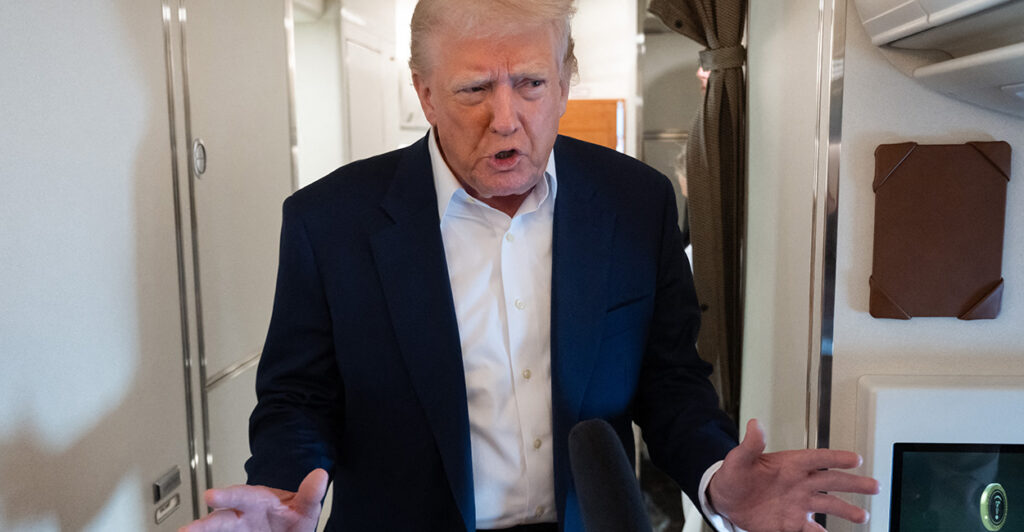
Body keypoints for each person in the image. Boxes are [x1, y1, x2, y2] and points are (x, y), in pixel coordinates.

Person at [180, 1, 878, 531]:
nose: (507, 117)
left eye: (531, 82)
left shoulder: (635, 203)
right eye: (474, 90)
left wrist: (714, 474)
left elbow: (669, 384)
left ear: (567, 79)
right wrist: (281, 490)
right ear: (425, 93)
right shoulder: (329, 222)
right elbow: (299, 399)